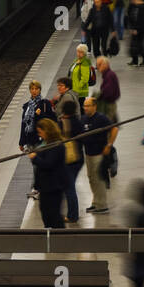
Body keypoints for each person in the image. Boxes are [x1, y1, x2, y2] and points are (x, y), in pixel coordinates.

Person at [80, 96, 118, 214]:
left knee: (99, 180)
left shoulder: (101, 118)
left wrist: (109, 145)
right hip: (88, 154)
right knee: (91, 179)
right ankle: (95, 202)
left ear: (94, 106)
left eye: (87, 106)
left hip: (99, 154)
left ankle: (102, 205)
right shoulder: (83, 119)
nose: (85, 108)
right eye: (84, 106)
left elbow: (114, 129)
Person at [20, 81, 55, 199]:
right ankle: (38, 188)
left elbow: (51, 120)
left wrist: (40, 115)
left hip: (40, 139)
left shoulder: (45, 104)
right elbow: (23, 124)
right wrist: (21, 141)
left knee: (39, 165)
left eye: (36, 89)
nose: (34, 91)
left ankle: (39, 189)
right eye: (32, 89)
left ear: (40, 90)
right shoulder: (27, 105)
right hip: (29, 139)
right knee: (36, 165)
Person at [31, 119, 69, 228]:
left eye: (40, 132)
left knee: (54, 215)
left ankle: (59, 238)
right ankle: (50, 236)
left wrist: (35, 158)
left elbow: (49, 164)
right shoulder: (47, 143)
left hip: (54, 187)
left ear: (47, 131)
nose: (40, 135)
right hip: (45, 186)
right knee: (45, 212)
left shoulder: (57, 145)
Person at [57, 90, 84, 223]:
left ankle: (73, 215)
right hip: (78, 157)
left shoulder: (64, 123)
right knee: (69, 186)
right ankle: (72, 213)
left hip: (69, 159)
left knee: (69, 188)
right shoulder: (78, 122)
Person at [126, 0, 144, 67]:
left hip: (141, 29)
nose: (134, 0)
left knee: (141, 45)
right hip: (134, 29)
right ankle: (134, 60)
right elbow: (129, 16)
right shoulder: (133, 6)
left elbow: (142, 20)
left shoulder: (143, 7)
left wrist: (136, 29)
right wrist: (131, 28)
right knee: (133, 45)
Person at [94, 56, 120, 122]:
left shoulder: (109, 75)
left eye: (99, 65)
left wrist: (98, 97)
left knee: (108, 124)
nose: (98, 67)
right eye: (97, 65)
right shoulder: (107, 75)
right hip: (109, 104)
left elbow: (108, 91)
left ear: (105, 65)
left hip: (109, 105)